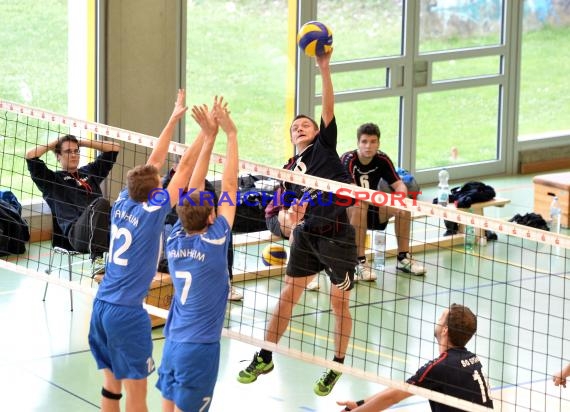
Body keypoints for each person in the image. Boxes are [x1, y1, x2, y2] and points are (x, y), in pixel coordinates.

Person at [237, 48, 357, 397]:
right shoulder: (288, 172)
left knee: (339, 303)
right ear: (291, 137)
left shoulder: (323, 148)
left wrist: (324, 67)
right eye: (296, 127)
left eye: (306, 124)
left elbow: (329, 107)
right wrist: (287, 221)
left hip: (336, 236)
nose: (301, 127)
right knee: (288, 295)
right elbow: (273, 214)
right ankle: (264, 355)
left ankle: (337, 363)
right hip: (306, 236)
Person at [88, 90, 216, 411]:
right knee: (137, 395)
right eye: (161, 183)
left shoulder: (123, 201)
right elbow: (184, 168)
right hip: (126, 314)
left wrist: (174, 117)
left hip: (100, 306)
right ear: (156, 192)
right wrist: (206, 130)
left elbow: (153, 162)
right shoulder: (153, 212)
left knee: (111, 386)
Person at [156, 97, 237, 412]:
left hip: (173, 341)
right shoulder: (215, 242)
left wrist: (211, 137)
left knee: (168, 404)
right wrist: (230, 135)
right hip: (198, 349)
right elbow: (228, 183)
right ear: (211, 218)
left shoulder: (176, 236)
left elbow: (195, 186)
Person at [336, 304, 494, 411]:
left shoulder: (442, 366)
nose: (437, 321)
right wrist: (359, 404)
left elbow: (393, 397)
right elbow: (401, 388)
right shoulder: (471, 359)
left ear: (445, 330)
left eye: (440, 318)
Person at [339, 122, 426, 281]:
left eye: (373, 142)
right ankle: (358, 262)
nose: (368, 146)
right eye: (364, 141)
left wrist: (400, 198)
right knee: (360, 204)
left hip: (372, 207)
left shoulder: (382, 159)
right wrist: (380, 200)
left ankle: (403, 258)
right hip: (345, 213)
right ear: (358, 143)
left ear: (378, 143)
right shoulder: (348, 159)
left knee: (403, 206)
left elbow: (399, 185)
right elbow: (354, 191)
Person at [26, 133, 120, 273]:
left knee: (124, 205)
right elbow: (30, 155)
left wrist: (80, 142)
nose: (74, 155)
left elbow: (114, 147)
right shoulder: (51, 181)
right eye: (68, 151)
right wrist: (57, 142)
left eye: (76, 151)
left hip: (104, 232)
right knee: (101, 203)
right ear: (58, 156)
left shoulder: (90, 172)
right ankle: (97, 259)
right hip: (77, 236)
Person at [160, 165, 242, 301]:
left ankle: (227, 278)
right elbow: (229, 187)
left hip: (182, 234)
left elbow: (195, 190)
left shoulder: (173, 239)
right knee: (224, 232)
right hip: (180, 226)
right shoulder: (215, 241)